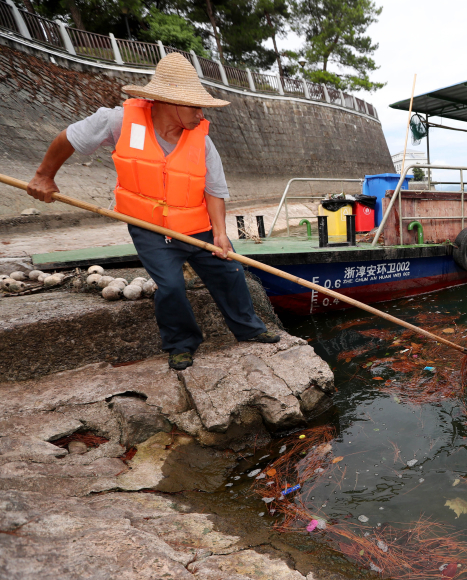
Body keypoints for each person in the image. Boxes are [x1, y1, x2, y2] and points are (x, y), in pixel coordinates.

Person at [27, 53, 279, 371]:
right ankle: (181, 344)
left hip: (195, 223)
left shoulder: (202, 141)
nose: (201, 115)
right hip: (148, 226)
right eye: (194, 106)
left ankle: (250, 329)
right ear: (168, 102)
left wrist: (219, 233)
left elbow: (215, 191)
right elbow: (69, 138)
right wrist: (44, 176)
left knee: (229, 273)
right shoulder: (118, 121)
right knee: (171, 286)